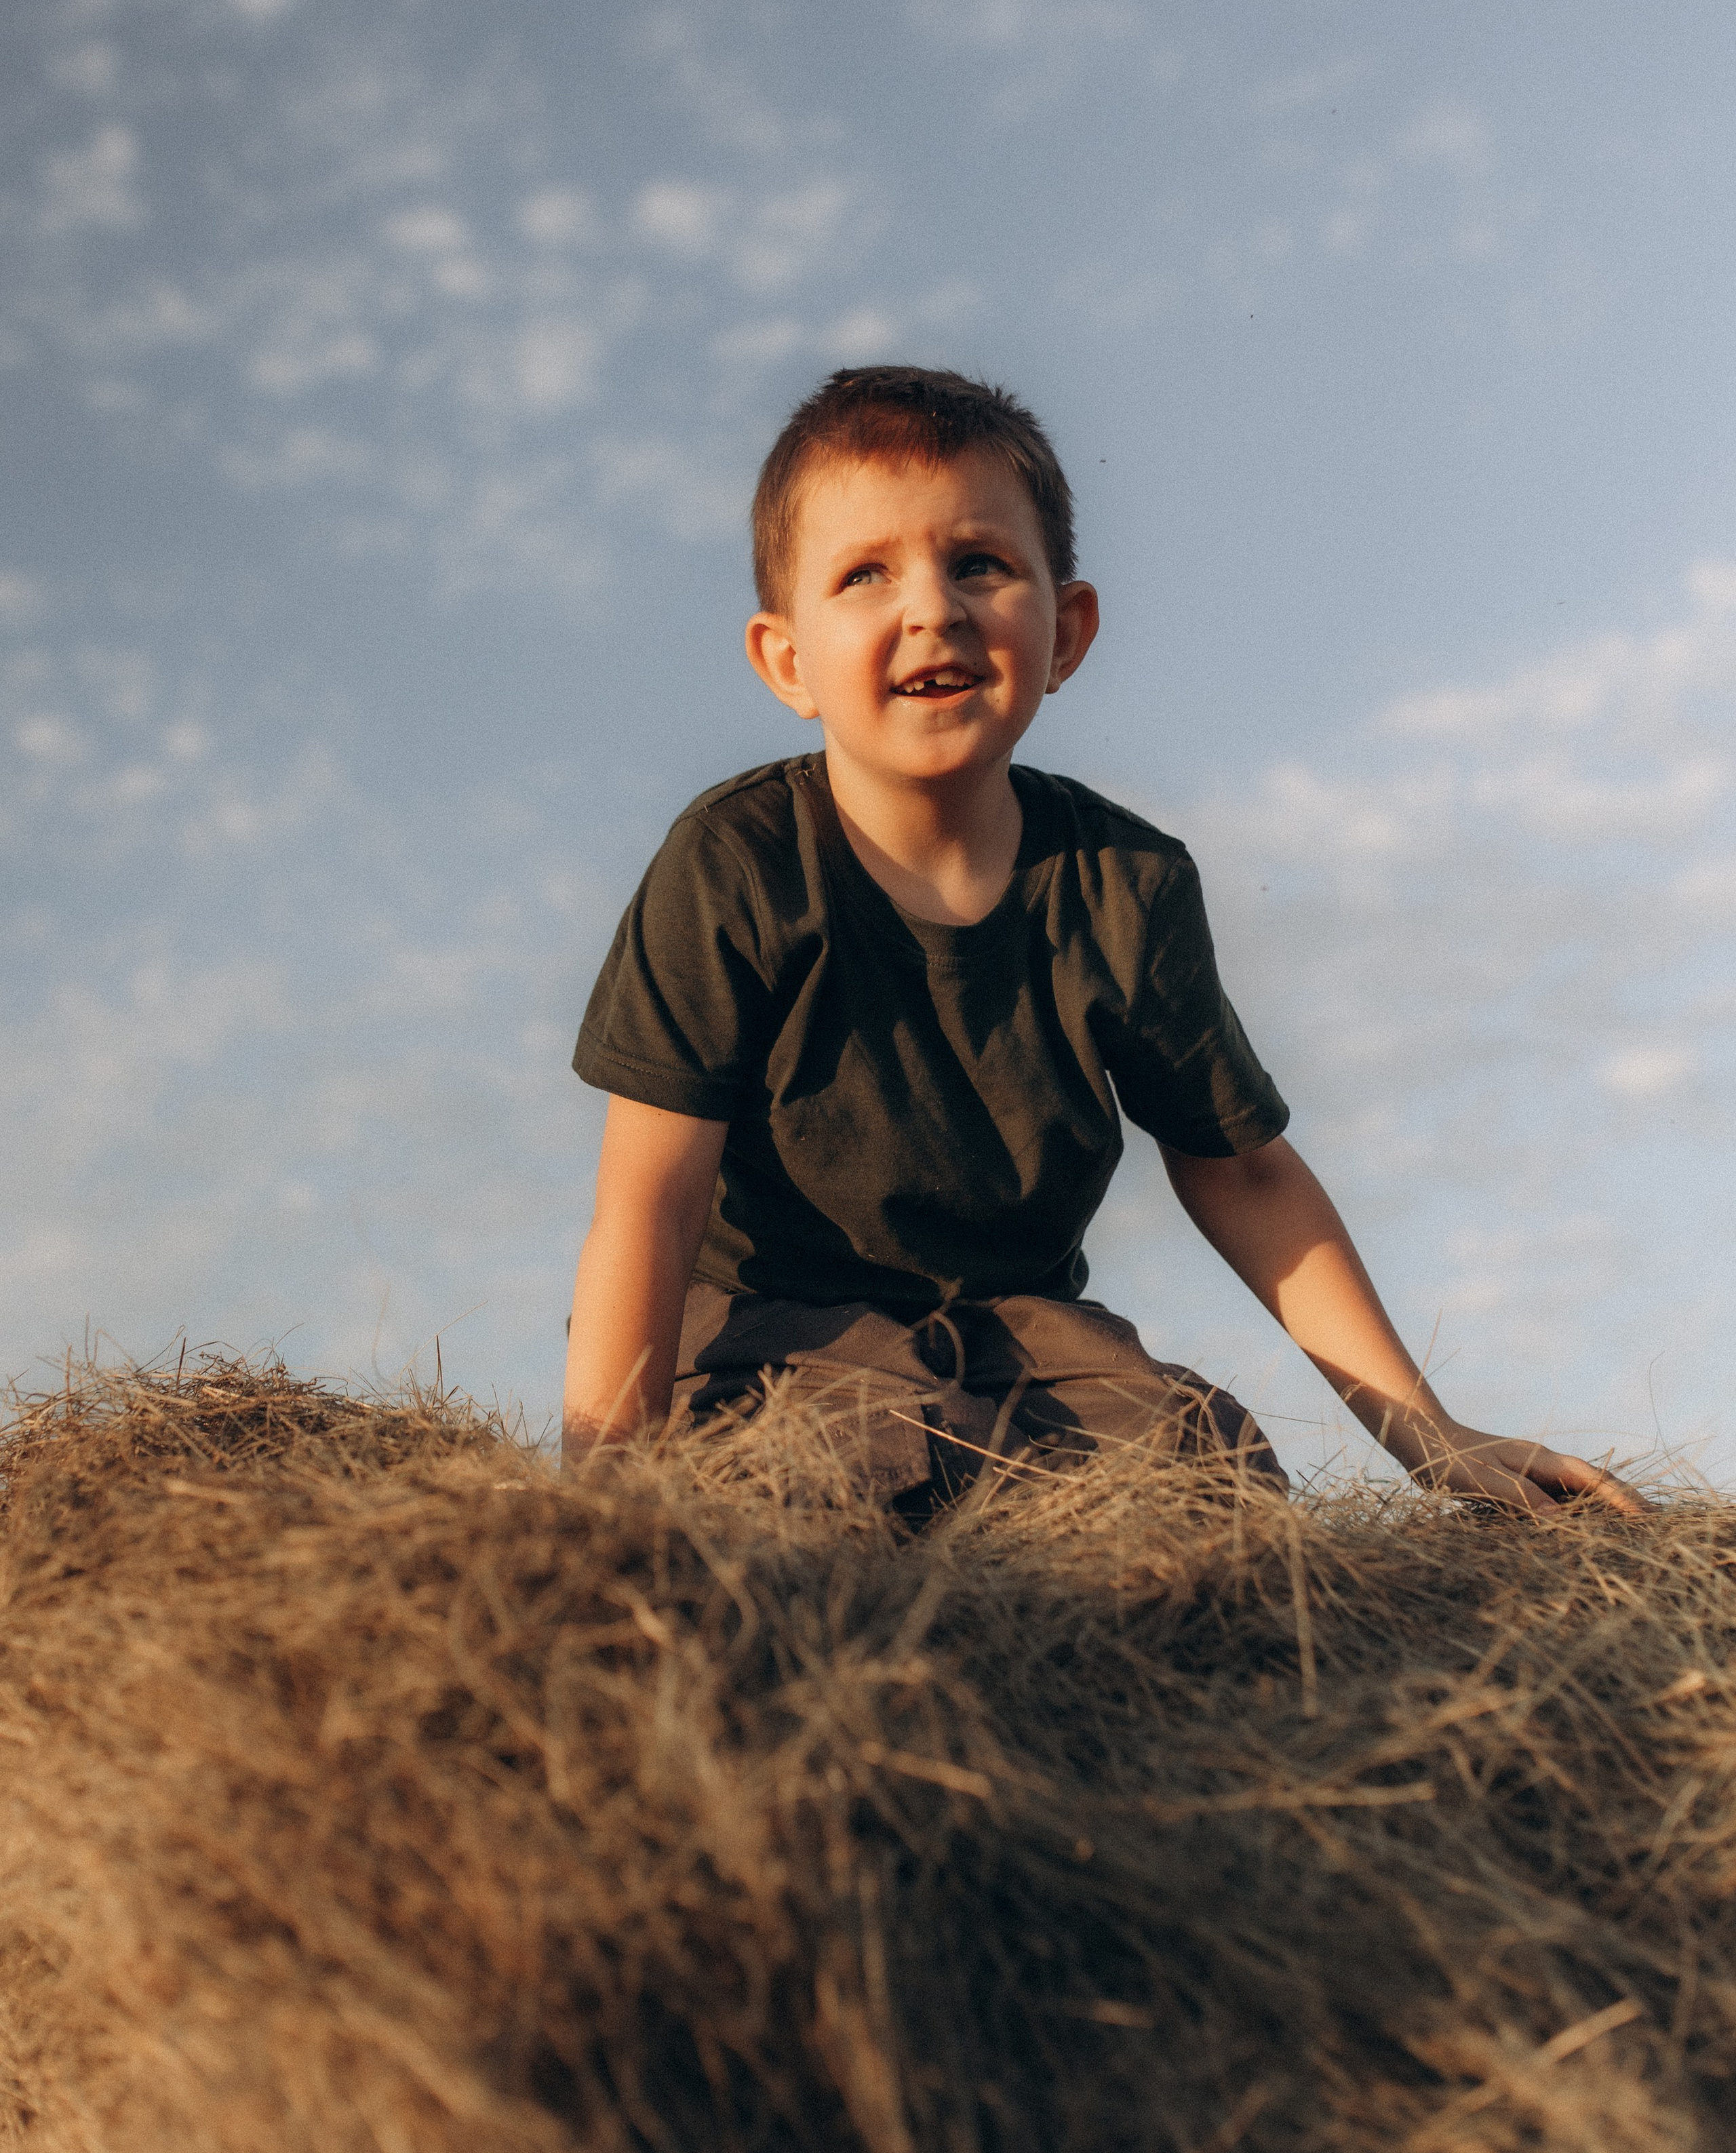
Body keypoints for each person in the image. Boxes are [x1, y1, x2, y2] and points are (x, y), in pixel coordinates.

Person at [563, 366, 1645, 1520]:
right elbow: (650, 1200)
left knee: (1209, 1480)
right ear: (788, 663)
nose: (932, 606)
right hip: (777, 1331)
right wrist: (602, 1497)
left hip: (1022, 1345)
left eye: (980, 562)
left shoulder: (1125, 884)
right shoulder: (737, 862)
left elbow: (1247, 1172)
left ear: (1066, 629)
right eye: (865, 573)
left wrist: (1434, 1438)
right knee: (825, 1488)